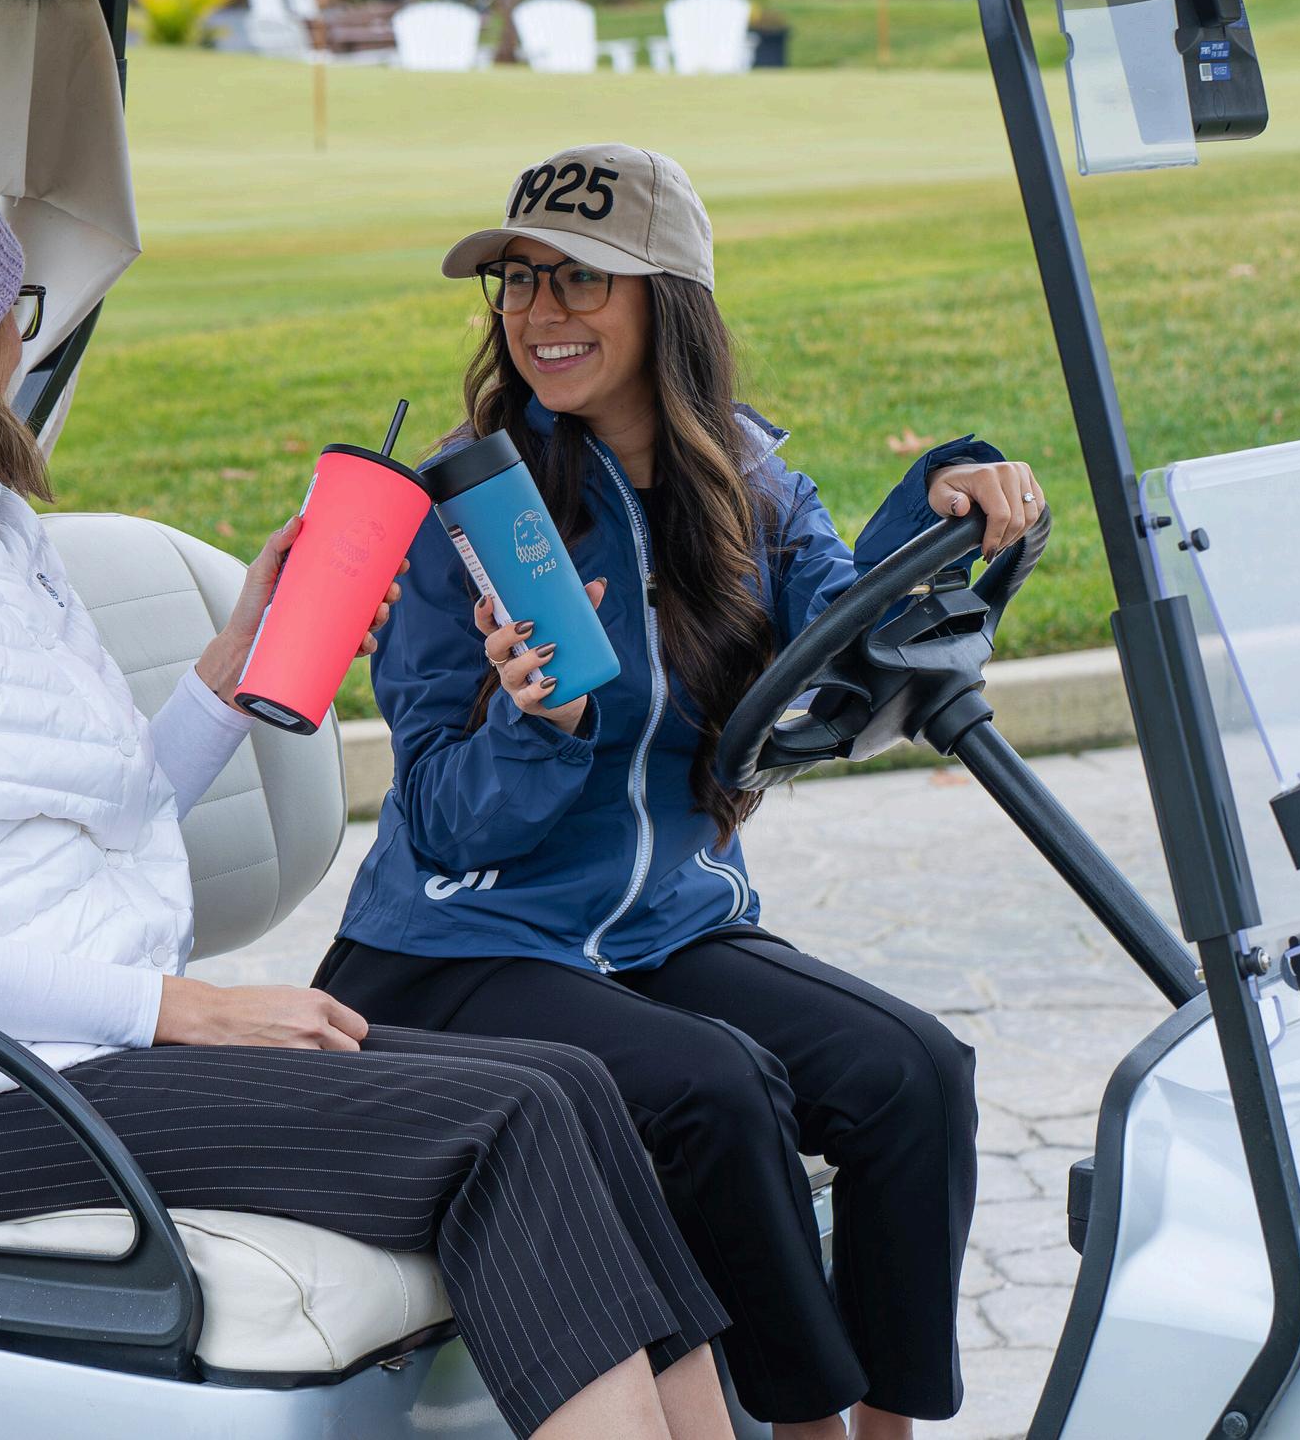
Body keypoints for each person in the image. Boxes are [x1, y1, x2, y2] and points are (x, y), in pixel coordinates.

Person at [0, 69, 736, 1440]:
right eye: (7, 302)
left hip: (68, 1053)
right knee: (509, 1121)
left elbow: (93, 812)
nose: (20, 329)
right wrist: (191, 1011)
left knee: (570, 1085)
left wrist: (234, 667)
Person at [316, 144, 1046, 1440]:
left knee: (914, 1075)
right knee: (718, 1089)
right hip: (457, 945)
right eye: (517, 280)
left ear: (669, 302)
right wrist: (539, 725)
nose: (538, 313)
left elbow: (846, 651)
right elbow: (437, 820)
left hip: (660, 928)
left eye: (579, 280)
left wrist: (946, 496)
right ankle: (804, 1429)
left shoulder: (748, 487)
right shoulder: (471, 507)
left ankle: (885, 1432)